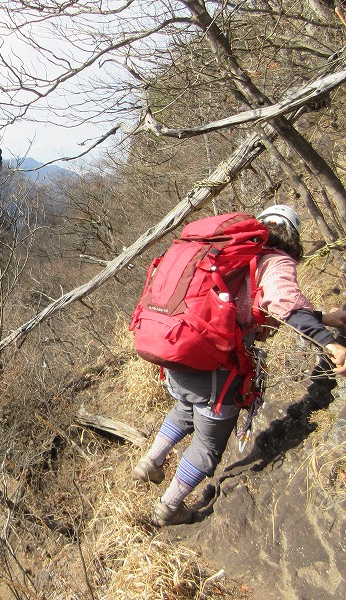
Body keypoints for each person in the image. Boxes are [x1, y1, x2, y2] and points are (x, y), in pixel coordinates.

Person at [133, 204, 346, 527]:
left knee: (184, 408)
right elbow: (281, 302)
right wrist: (328, 341)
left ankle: (151, 460)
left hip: (177, 348)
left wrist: (322, 317)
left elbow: (257, 303)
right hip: (216, 369)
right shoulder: (274, 258)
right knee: (208, 446)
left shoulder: (227, 253)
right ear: (294, 235)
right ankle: (170, 506)